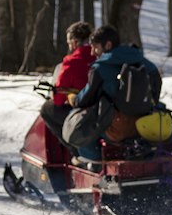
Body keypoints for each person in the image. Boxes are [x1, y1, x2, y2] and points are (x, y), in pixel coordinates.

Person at [67, 24, 162, 161]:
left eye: (95, 47)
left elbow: (86, 99)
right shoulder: (144, 62)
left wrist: (74, 99)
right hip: (147, 123)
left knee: (80, 127)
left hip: (117, 129)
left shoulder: (100, 67)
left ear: (108, 45)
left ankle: (92, 160)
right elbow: (156, 87)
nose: (92, 52)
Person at [39, 21, 94, 143]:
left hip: (82, 109)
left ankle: (72, 146)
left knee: (47, 109)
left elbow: (58, 99)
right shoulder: (99, 56)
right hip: (102, 109)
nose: (69, 46)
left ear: (75, 42)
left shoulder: (72, 62)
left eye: (69, 43)